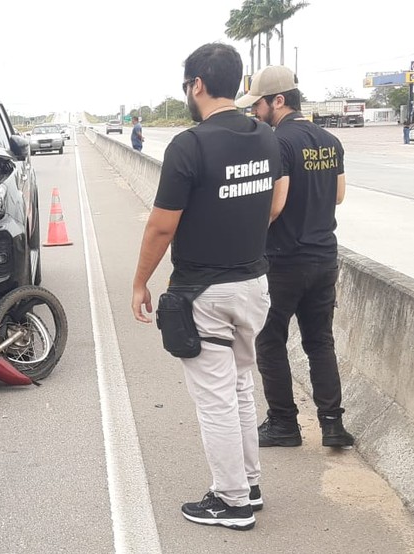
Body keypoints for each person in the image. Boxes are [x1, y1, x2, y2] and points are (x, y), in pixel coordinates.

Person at [131, 42, 280, 531]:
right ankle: (250, 484)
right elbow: (276, 202)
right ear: (237, 84)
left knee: (215, 400)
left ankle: (231, 500)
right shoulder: (264, 136)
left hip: (205, 294)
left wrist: (139, 283)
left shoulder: (189, 145)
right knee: (238, 387)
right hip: (254, 284)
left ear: (197, 85)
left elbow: (161, 227)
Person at [239, 65, 355, 449]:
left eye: (258, 105)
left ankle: (284, 424)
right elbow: (338, 195)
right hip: (325, 258)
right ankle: (333, 425)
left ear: (278, 100)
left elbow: (276, 205)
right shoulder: (330, 141)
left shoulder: (278, 143)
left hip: (285, 260)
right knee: (319, 341)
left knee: (270, 340)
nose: (256, 113)